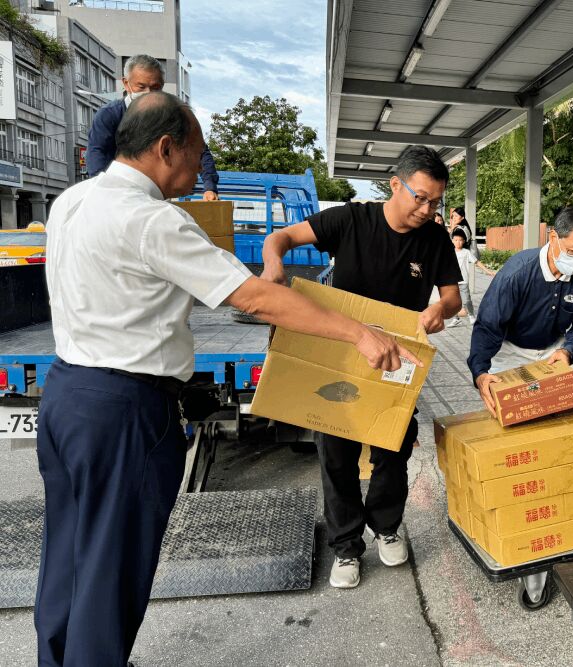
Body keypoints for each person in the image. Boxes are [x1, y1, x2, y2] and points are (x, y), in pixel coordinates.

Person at [35, 92, 417, 666]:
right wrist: (359, 334)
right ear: (165, 148)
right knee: (111, 569)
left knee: (67, 553)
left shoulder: (72, 201)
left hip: (66, 394)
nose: (200, 168)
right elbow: (255, 298)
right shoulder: (151, 220)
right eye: (196, 153)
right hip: (123, 411)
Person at [260, 145, 462, 589]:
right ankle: (346, 547)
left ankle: (386, 527)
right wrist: (272, 265)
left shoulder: (433, 239)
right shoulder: (350, 220)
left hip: (399, 359)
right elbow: (281, 239)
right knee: (337, 453)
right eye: (420, 198)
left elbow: (453, 296)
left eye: (435, 202)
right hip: (342, 352)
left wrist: (439, 309)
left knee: (394, 446)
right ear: (396, 184)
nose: (427, 210)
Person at [468, 207, 573, 413]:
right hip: (512, 350)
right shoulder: (518, 271)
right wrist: (480, 372)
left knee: (566, 414)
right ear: (554, 236)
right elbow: (489, 323)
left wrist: (568, 351)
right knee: (509, 414)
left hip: (555, 351)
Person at [86, 54, 220, 201]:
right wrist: (104, 194)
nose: (148, 93)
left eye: (155, 88)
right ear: (126, 84)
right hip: (116, 193)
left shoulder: (170, 116)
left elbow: (197, 148)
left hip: (157, 193)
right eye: (141, 87)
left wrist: (209, 187)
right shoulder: (109, 115)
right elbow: (97, 156)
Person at [446, 227, 495, 328]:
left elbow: (477, 262)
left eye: (460, 240)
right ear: (452, 240)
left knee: (466, 300)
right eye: (456, 240)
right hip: (452, 281)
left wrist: (488, 271)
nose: (458, 242)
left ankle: (471, 315)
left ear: (464, 241)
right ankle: (456, 318)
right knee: (453, 301)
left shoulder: (466, 252)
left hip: (463, 280)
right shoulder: (449, 252)